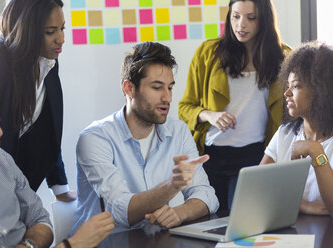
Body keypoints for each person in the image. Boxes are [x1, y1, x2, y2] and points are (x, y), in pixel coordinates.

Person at [71, 42, 219, 234]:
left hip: (156, 241)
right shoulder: (95, 138)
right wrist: (173, 185)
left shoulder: (178, 131)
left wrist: (179, 213)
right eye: (157, 88)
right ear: (129, 89)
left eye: (170, 88)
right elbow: (122, 212)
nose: (168, 98)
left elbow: (207, 196)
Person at [0, 85, 115, 248]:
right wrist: (73, 245)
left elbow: (41, 220)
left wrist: (28, 245)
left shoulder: (1, 160)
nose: (0, 133)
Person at [178, 0, 290, 210]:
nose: (241, 25)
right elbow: (185, 108)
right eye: (236, 16)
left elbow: (293, 112)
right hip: (211, 155)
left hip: (257, 155)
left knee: (242, 225)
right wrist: (209, 115)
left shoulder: (283, 57)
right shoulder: (207, 53)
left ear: (264, 20)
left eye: (251, 18)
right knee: (209, 222)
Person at [0, 0, 75, 201]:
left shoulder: (47, 62)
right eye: (50, 31)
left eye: (62, 28)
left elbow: (49, 128)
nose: (61, 38)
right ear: (27, 29)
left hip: (16, 185)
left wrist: (60, 187)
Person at [260, 42, 333, 216]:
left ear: (321, 91)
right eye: (288, 85)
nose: (287, 93)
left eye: (296, 86)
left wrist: (316, 152)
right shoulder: (285, 133)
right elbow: (257, 190)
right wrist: (303, 205)